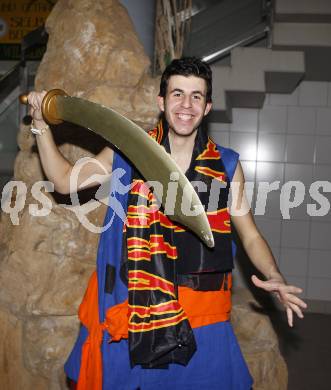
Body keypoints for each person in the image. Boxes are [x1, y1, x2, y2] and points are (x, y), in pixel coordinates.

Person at [28, 57, 307, 390]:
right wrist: (41, 128)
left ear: (207, 108)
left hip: (203, 322)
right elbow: (62, 181)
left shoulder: (228, 166)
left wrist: (273, 274)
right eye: (177, 94)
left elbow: (249, 236)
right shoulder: (126, 152)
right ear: (161, 102)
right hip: (135, 314)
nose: (186, 104)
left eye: (196, 96)